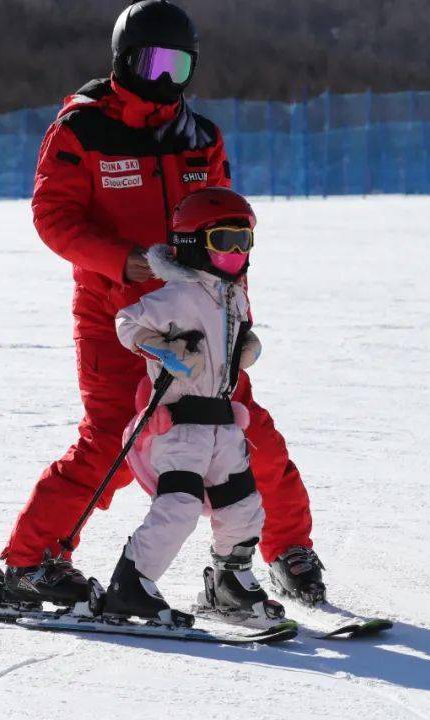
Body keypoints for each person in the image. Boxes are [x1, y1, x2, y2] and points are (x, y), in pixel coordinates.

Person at [0, 0, 324, 610]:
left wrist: (236, 315)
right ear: (123, 61)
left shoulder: (200, 137)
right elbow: (53, 217)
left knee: (248, 433)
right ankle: (30, 562)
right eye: (151, 63)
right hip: (118, 313)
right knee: (114, 437)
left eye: (179, 65)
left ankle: (285, 549)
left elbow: (225, 229)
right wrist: (123, 262)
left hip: (200, 315)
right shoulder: (82, 130)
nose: (165, 79)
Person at [103, 188, 283, 626]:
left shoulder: (231, 295)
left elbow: (234, 337)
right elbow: (127, 321)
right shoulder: (177, 295)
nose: (236, 253)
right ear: (193, 244)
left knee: (242, 505)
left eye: (245, 241)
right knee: (179, 507)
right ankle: (132, 584)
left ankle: (231, 580)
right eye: (224, 241)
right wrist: (160, 349)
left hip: (222, 424)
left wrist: (245, 349)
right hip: (180, 427)